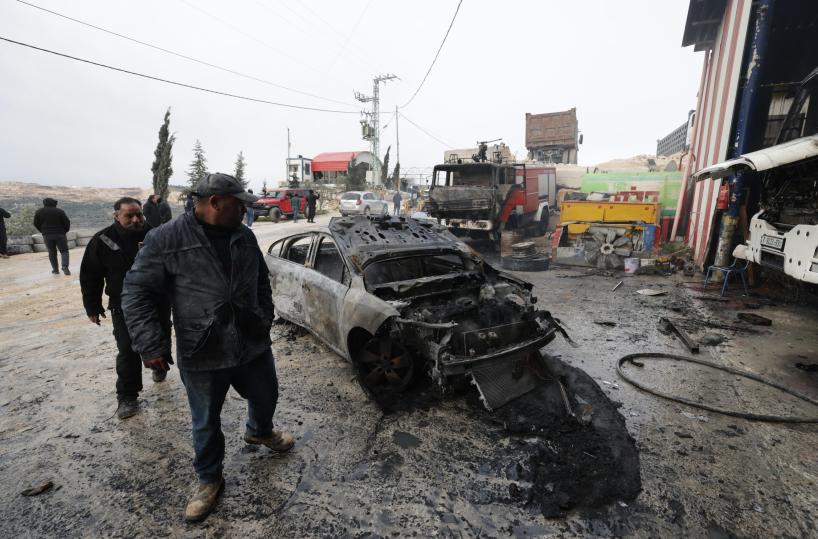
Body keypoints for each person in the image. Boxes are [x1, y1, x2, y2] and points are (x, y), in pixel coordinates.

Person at [122, 173, 294, 523]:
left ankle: (260, 431)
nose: (245, 210)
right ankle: (208, 479)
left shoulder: (243, 235)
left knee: (266, 395)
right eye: (239, 204)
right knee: (205, 421)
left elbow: (261, 279)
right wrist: (149, 343)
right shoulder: (165, 239)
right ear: (215, 203)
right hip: (202, 347)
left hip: (251, 340)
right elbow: (136, 293)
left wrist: (264, 314)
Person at [79, 197, 172, 420]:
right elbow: (90, 275)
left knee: (162, 336)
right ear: (116, 216)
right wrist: (92, 306)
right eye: (128, 215)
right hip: (122, 306)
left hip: (157, 300)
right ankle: (127, 396)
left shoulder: (156, 235)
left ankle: (160, 365)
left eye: (138, 214)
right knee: (128, 349)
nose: (135, 219)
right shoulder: (102, 240)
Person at [33, 198, 71, 275]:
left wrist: (43, 231)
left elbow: (35, 223)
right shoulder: (60, 211)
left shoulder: (39, 212)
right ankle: (65, 266)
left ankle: (55, 269)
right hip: (60, 234)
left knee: (52, 252)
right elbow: (67, 222)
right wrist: (64, 231)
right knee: (64, 251)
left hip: (47, 235)